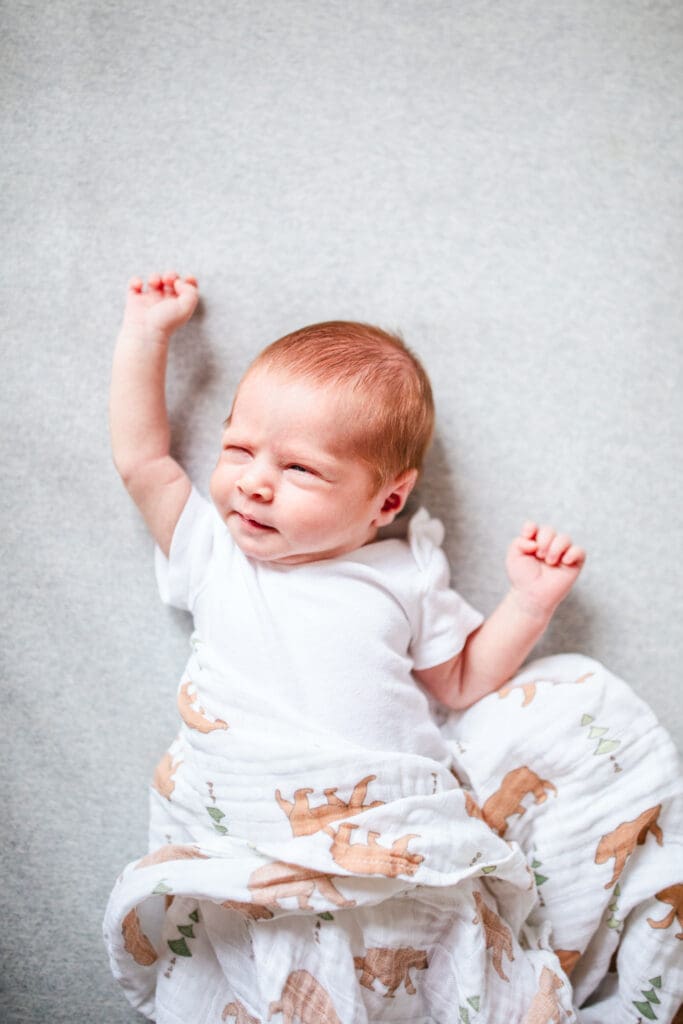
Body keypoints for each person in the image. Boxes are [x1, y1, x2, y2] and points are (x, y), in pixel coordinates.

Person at [106, 270, 592, 1021]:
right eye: (239, 449)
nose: (254, 484)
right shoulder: (213, 550)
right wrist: (146, 334)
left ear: (387, 500)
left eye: (298, 467)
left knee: (431, 963)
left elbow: (459, 683)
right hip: (251, 822)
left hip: (390, 835)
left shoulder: (403, 575)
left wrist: (526, 606)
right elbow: (143, 460)